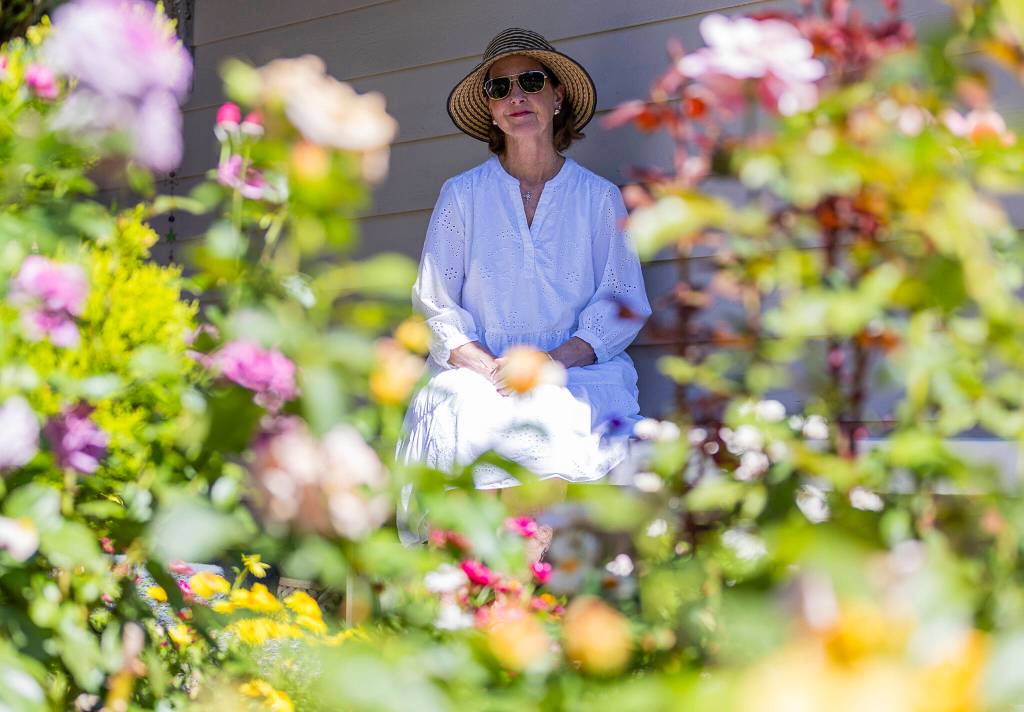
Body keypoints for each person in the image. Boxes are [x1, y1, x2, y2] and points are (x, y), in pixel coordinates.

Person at [397, 28, 651, 490]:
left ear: (557, 97)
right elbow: (436, 304)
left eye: (531, 82)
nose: (516, 96)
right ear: (492, 112)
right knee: (463, 411)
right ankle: (474, 561)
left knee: (560, 415)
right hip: (478, 370)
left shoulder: (598, 197)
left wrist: (549, 363)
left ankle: (536, 559)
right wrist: (492, 369)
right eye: (500, 88)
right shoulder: (462, 195)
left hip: (573, 368)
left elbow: (622, 302)